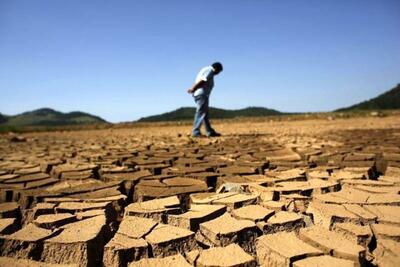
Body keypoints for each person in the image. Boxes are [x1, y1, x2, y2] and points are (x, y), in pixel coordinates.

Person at [187, 62, 223, 137]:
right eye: (218, 72)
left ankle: (209, 131)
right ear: (216, 68)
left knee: (204, 113)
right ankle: (195, 132)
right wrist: (193, 88)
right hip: (202, 94)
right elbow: (203, 80)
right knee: (200, 112)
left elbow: (200, 80)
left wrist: (193, 89)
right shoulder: (210, 70)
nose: (218, 74)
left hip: (201, 94)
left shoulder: (206, 70)